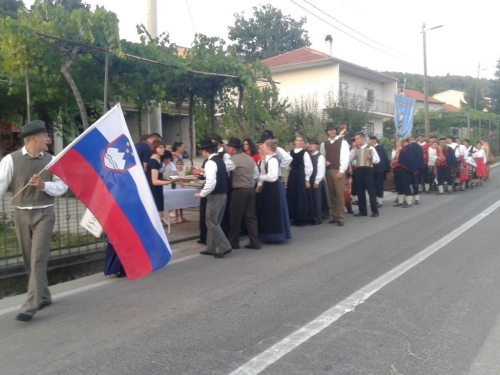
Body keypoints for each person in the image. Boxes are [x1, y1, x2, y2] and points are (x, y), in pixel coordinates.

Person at [0, 121, 68, 321]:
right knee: (29, 258)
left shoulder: (52, 160)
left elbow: (62, 187)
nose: (49, 139)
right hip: (20, 214)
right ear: (33, 139)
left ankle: (31, 305)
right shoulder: (10, 160)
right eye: (45, 136)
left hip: (44, 213)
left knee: (38, 257)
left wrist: (43, 185)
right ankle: (44, 295)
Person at [194, 139, 232, 258]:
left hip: (215, 195)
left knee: (211, 222)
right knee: (214, 222)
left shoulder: (210, 162)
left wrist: (202, 194)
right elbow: (215, 176)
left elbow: (211, 182)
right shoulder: (219, 161)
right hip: (223, 194)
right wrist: (204, 173)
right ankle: (211, 247)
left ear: (205, 151)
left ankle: (225, 246)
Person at [225, 138, 261, 250]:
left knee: (235, 217)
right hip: (250, 189)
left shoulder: (232, 160)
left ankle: (234, 242)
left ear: (232, 148)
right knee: (251, 217)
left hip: (239, 190)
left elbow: (223, 170)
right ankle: (255, 242)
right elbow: (256, 174)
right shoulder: (250, 159)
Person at [256, 139, 292, 242]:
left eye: (264, 146)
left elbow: (273, 177)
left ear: (268, 148)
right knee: (269, 211)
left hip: (273, 187)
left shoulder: (273, 160)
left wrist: (261, 178)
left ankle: (275, 235)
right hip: (269, 187)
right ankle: (269, 235)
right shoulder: (269, 158)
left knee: (274, 211)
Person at [320, 122, 349, 226]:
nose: (332, 131)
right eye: (329, 130)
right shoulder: (324, 144)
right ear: (327, 132)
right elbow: (322, 156)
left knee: (339, 194)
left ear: (335, 130)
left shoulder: (343, 142)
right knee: (331, 194)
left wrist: (341, 171)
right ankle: (335, 216)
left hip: (338, 170)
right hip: (329, 171)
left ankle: (341, 217)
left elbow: (346, 158)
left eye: (333, 129)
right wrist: (325, 161)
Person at [350, 132, 380, 217]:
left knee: (371, 191)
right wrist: (353, 150)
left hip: (368, 171)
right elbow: (350, 159)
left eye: (357, 139)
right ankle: (363, 211)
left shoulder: (370, 148)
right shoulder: (356, 149)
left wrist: (371, 158)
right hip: (359, 171)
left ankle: (375, 211)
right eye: (355, 139)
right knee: (360, 191)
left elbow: (378, 160)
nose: (356, 141)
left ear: (362, 139)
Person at [287, 135, 314, 226]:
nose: (299, 142)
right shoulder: (290, 153)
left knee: (301, 196)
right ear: (294, 142)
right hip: (293, 175)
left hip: (301, 175)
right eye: (297, 140)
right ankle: (294, 217)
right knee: (293, 195)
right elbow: (285, 163)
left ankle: (302, 218)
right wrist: (288, 168)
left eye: (300, 140)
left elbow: (309, 167)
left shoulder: (304, 153)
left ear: (302, 142)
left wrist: (307, 180)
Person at [146, 140, 174, 220]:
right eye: (160, 147)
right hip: (153, 190)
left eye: (163, 148)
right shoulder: (153, 162)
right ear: (154, 148)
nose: (162, 149)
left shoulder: (159, 160)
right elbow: (154, 181)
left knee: (160, 212)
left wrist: (171, 178)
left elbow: (160, 175)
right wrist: (169, 182)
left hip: (159, 189)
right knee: (158, 213)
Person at [308, 138, 328, 225]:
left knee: (317, 199)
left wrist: (317, 181)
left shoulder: (320, 156)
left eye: (313, 144)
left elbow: (321, 170)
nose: (311, 146)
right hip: (309, 179)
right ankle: (312, 216)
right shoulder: (308, 155)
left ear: (317, 146)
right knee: (311, 198)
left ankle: (319, 217)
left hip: (316, 180)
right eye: (310, 144)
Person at [368, 135, 390, 208]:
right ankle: (375, 200)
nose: (369, 142)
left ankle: (379, 201)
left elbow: (382, 160)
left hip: (379, 171)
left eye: (370, 141)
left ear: (373, 141)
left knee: (379, 186)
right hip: (373, 171)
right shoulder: (371, 148)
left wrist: (380, 169)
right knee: (373, 186)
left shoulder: (379, 148)